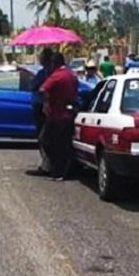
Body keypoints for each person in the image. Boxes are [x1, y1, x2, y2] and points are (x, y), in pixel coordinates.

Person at [39, 52, 79, 181]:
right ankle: (63, 171)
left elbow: (43, 89)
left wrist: (46, 103)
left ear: (54, 63)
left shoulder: (56, 76)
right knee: (65, 143)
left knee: (47, 141)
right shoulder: (72, 75)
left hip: (57, 114)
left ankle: (57, 169)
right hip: (70, 113)